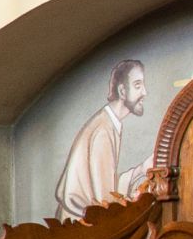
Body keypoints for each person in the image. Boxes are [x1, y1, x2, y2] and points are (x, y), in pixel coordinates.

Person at [54, 57, 149, 217]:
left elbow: (107, 185)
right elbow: (105, 201)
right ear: (122, 91)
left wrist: (141, 169)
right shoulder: (103, 129)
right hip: (81, 225)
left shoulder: (108, 122)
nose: (145, 92)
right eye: (138, 85)